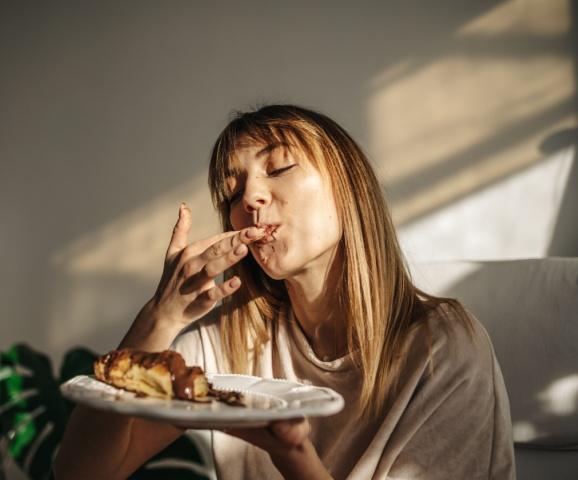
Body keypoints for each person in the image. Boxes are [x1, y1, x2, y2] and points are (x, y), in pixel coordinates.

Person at [53, 104, 515, 479]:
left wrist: (292, 455)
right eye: (232, 192)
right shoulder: (230, 339)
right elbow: (83, 472)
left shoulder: (444, 349)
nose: (250, 197)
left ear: (349, 186)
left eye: (278, 168)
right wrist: (161, 318)